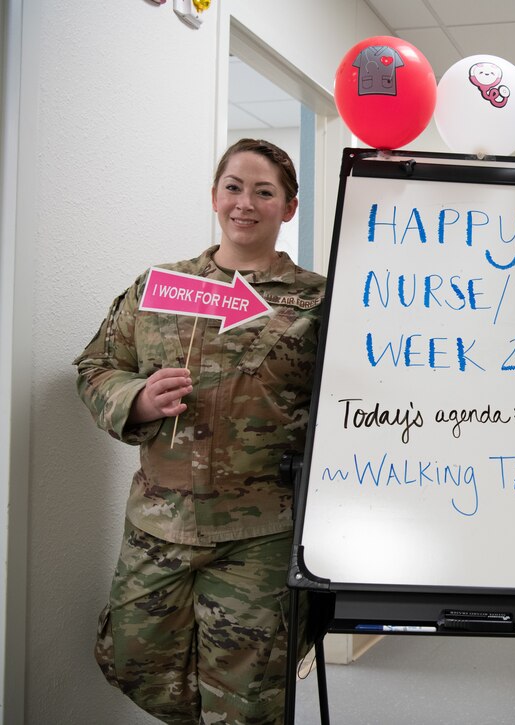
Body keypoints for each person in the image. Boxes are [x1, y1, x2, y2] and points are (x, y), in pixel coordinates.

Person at [74, 138, 326, 724]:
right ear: (215, 196)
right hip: (158, 526)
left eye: (264, 192)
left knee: (247, 700)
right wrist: (135, 397)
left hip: (260, 536)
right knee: (135, 663)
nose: (245, 203)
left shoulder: (317, 300)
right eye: (234, 187)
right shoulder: (159, 286)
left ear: (288, 208)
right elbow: (96, 366)